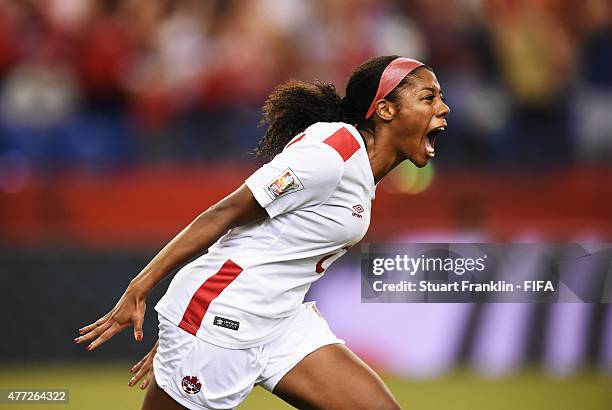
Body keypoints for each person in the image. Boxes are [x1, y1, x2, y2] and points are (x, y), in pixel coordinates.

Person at [75, 55, 449, 410]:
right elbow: (225, 213)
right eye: (428, 97)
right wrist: (144, 290)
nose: (442, 108)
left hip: (280, 320)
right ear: (385, 109)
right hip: (226, 317)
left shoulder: (363, 171)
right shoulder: (330, 154)